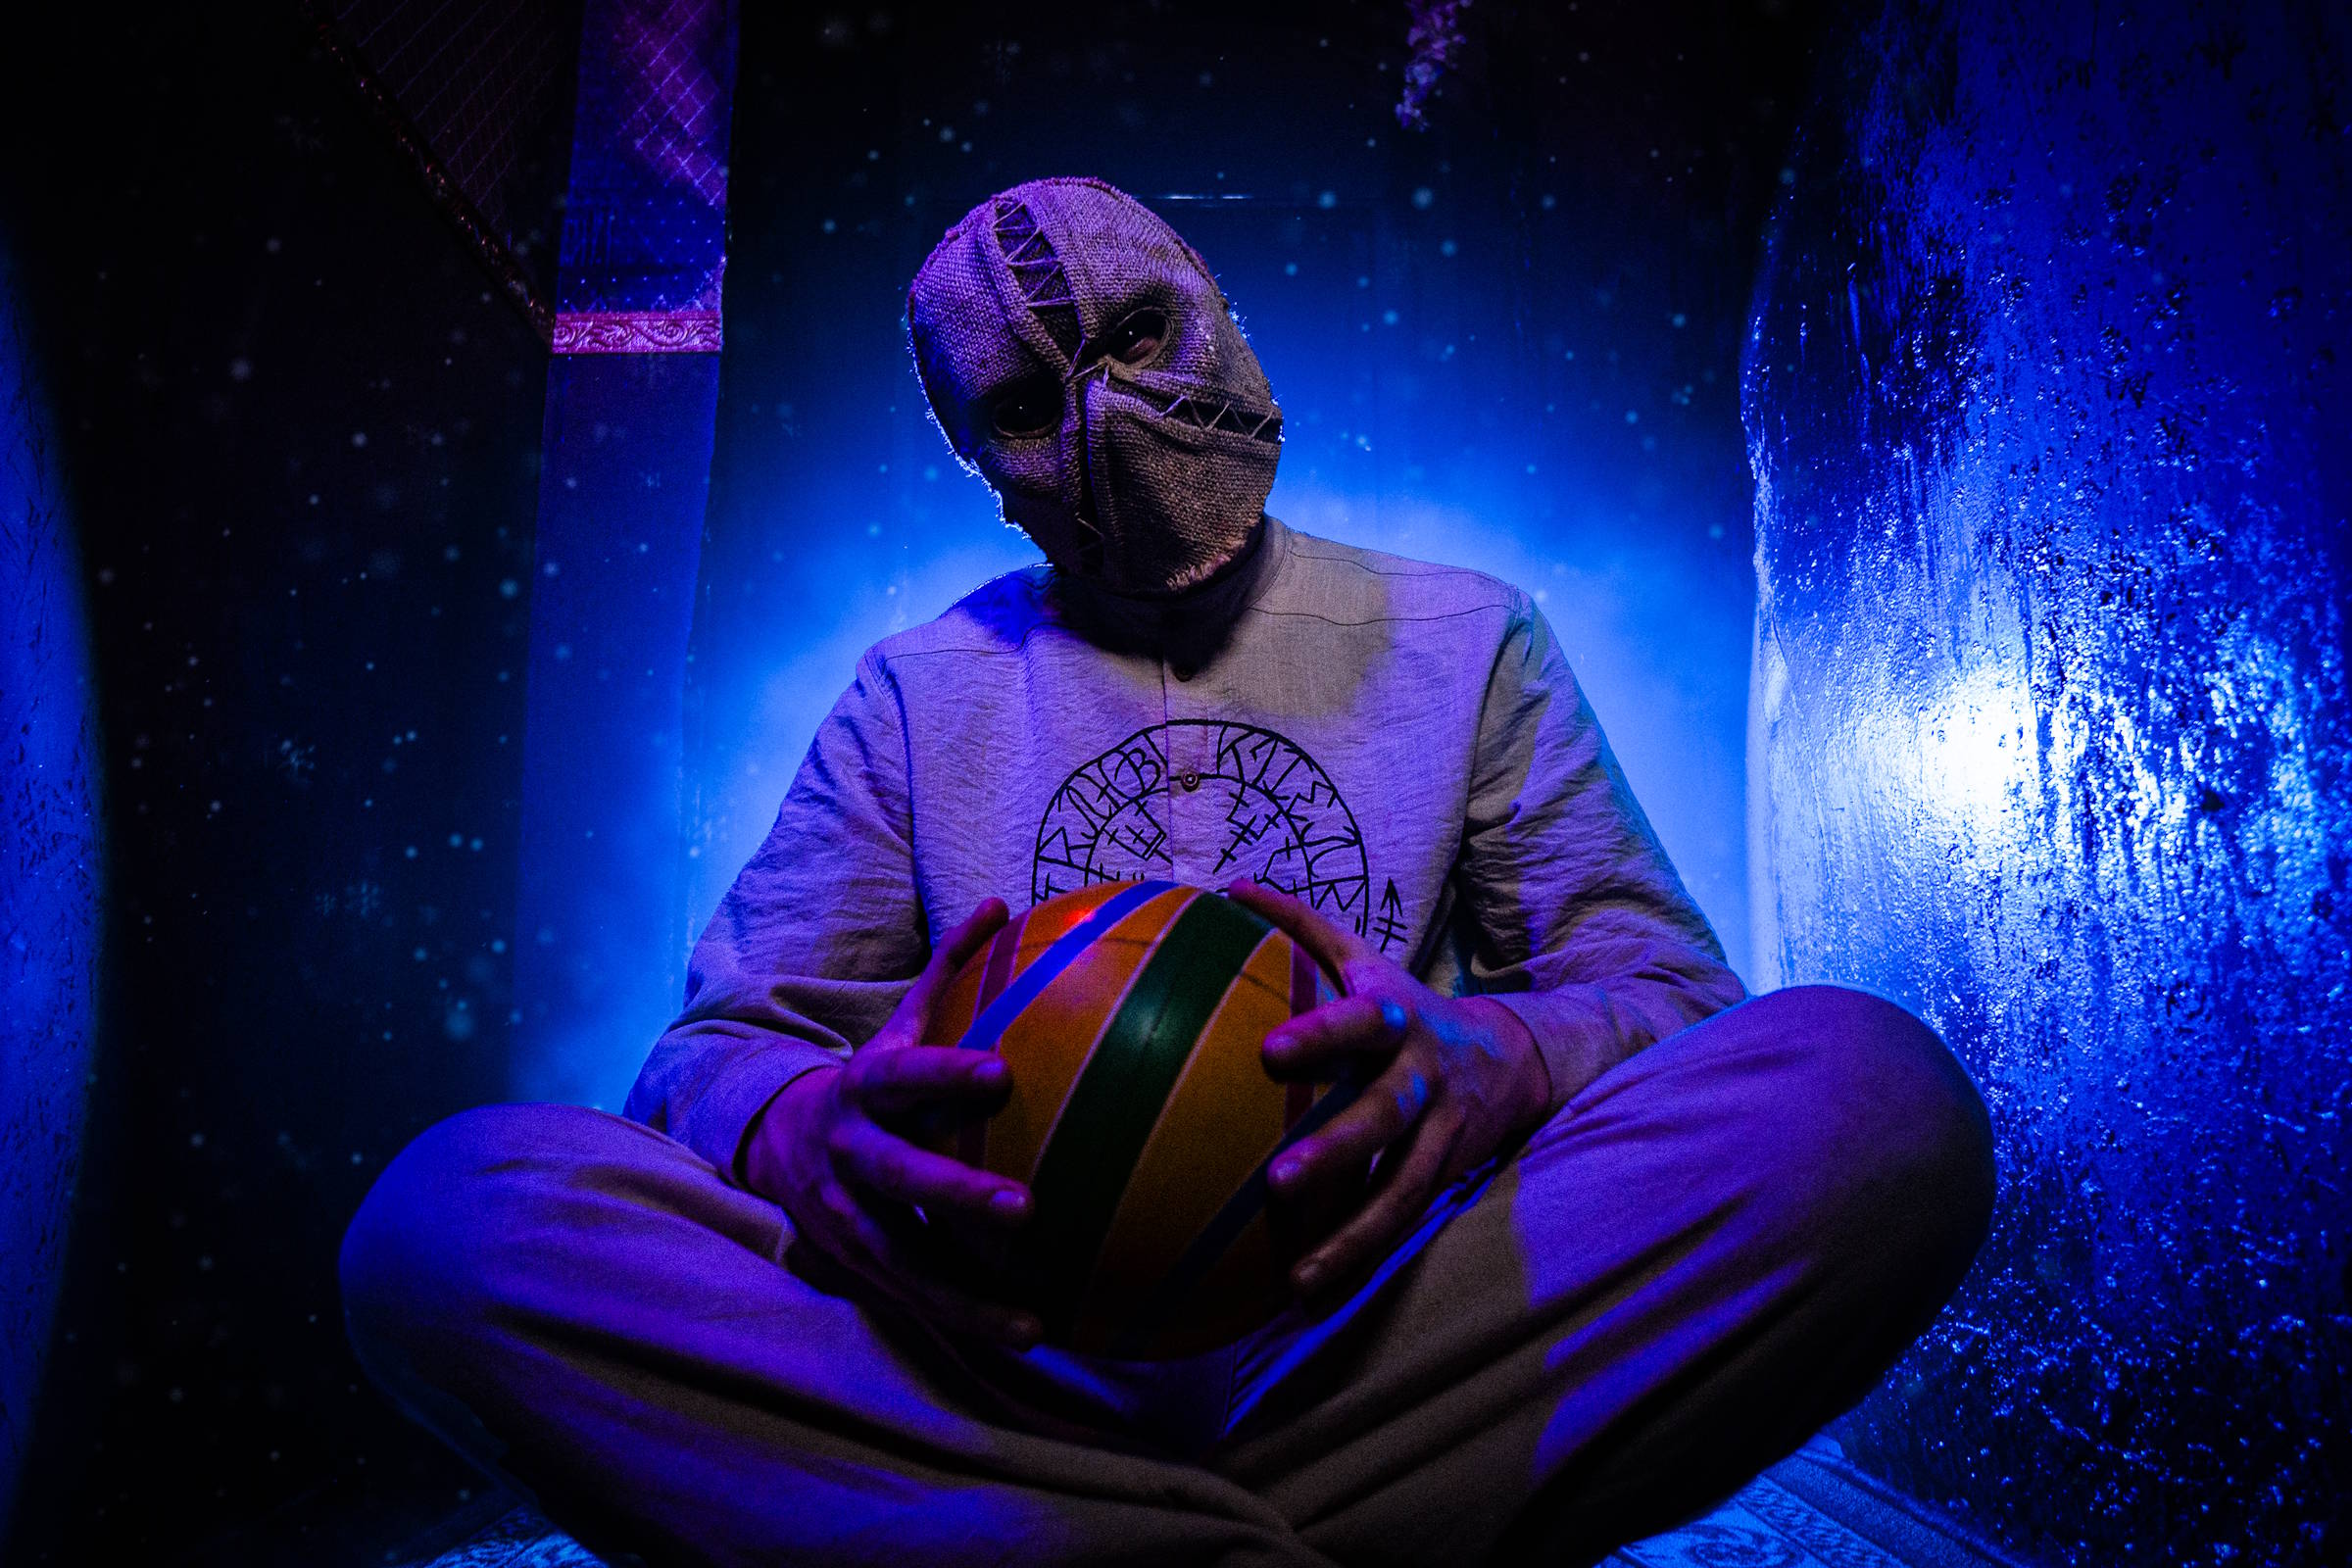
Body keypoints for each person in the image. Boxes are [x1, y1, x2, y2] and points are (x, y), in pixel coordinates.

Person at [340, 176, 1995, 1568]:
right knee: (446, 1228)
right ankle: (1306, 1535)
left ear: (1218, 303)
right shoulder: (915, 695)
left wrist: (1501, 1056)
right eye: (1024, 404)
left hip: (1385, 1316)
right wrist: (805, 1132)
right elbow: (712, 1055)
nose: (1108, 418)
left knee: (1872, 1106)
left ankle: (1033, 1542)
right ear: (974, 461)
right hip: (996, 1347)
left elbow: (1675, 997)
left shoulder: (1468, 634)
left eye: (1140, 334)